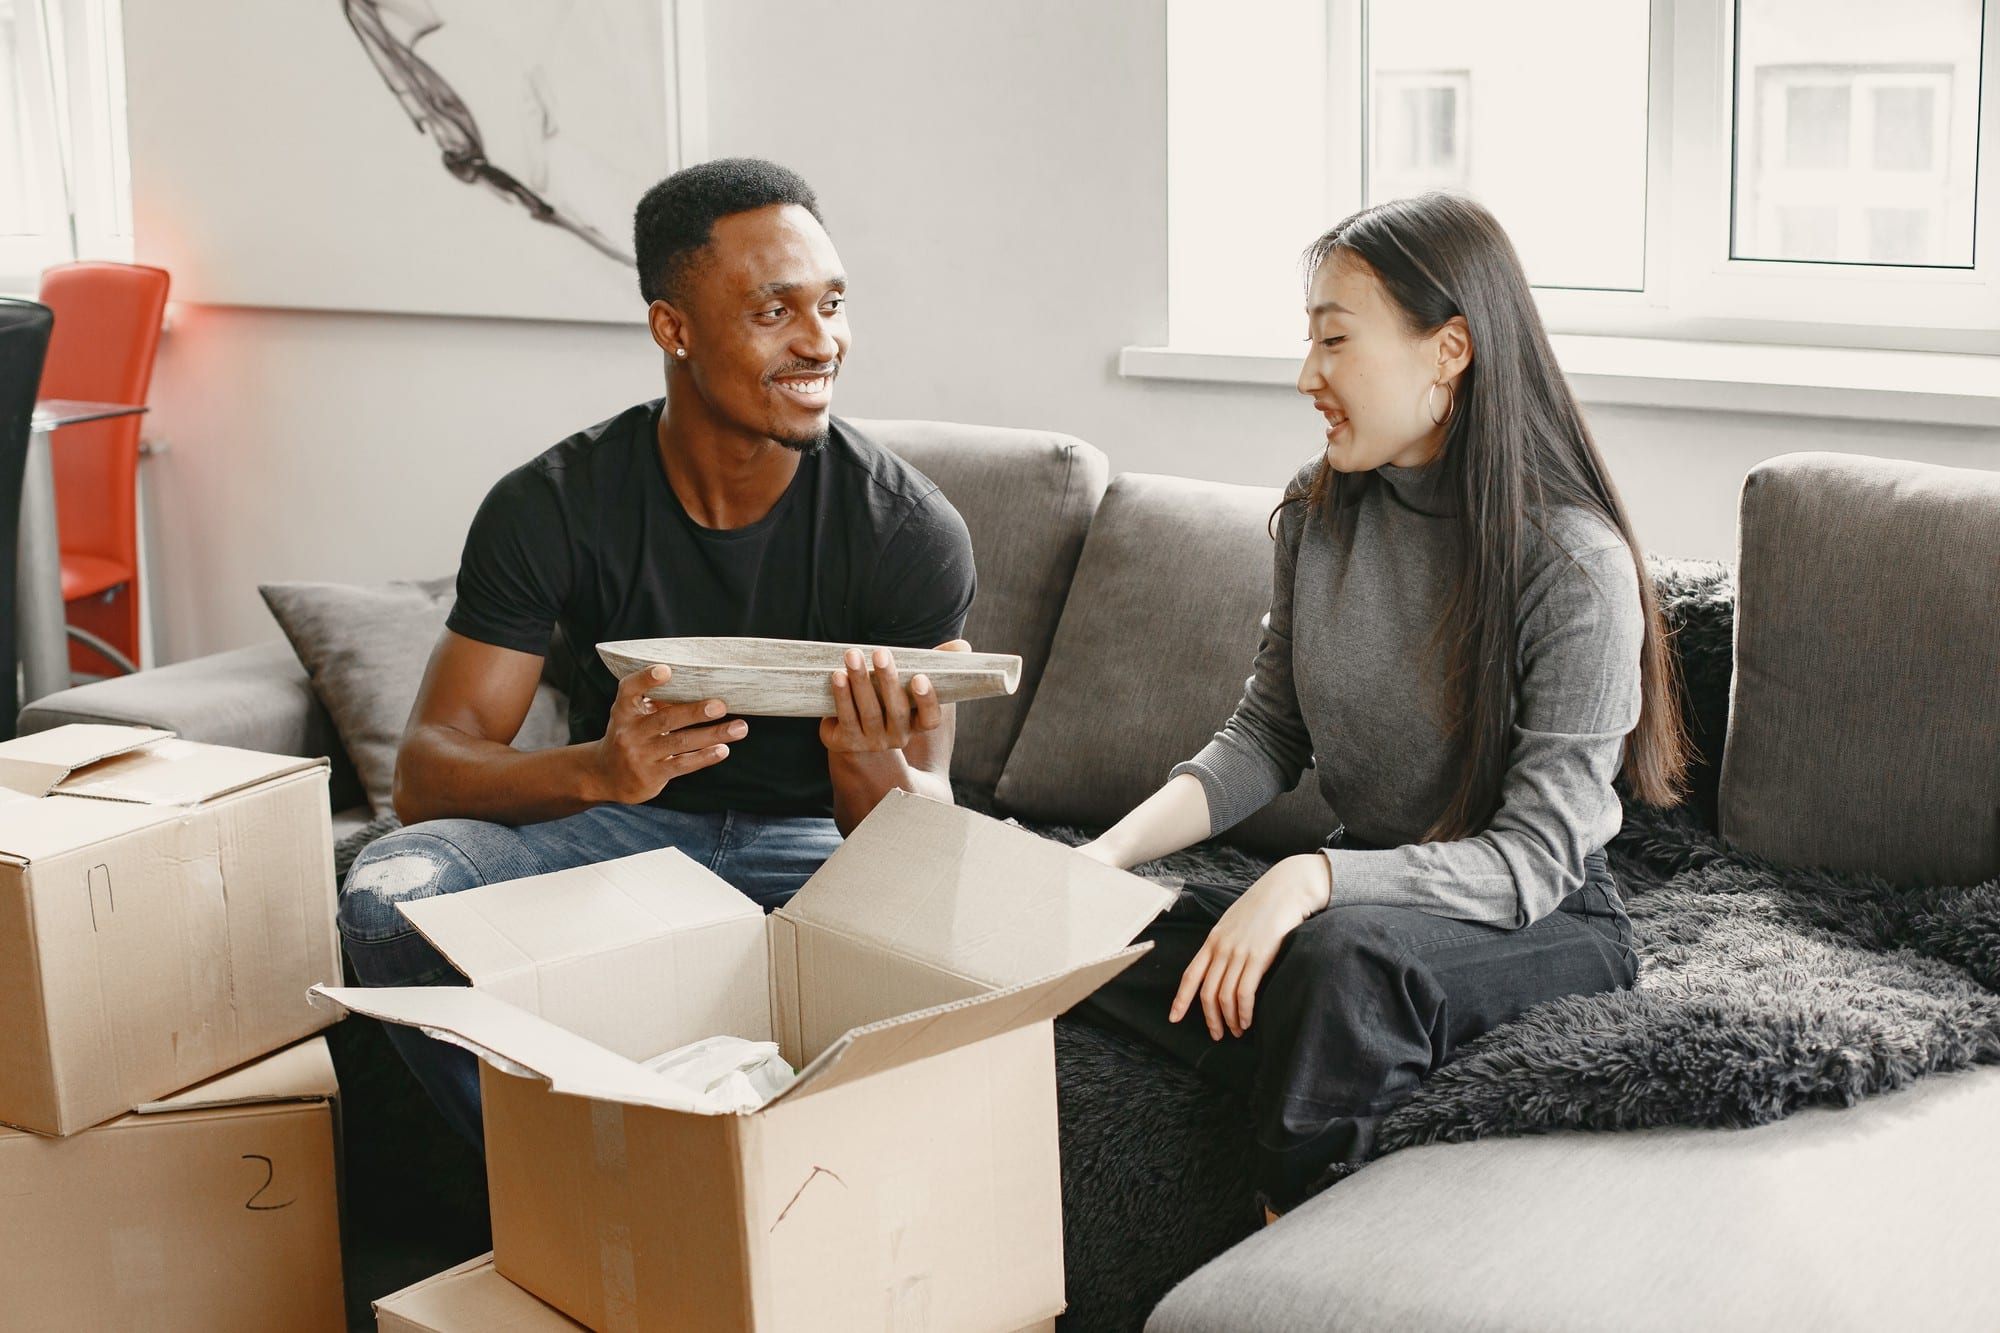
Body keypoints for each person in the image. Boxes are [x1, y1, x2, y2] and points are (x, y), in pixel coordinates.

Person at [337, 158, 977, 1146]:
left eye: (833, 304)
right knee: (390, 897)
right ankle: (568, 1182)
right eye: (775, 312)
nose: (821, 342)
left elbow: (920, 843)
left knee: (960, 938)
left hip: (812, 847)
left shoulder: (904, 529)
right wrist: (601, 768)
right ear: (672, 328)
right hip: (620, 834)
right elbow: (427, 773)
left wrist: (859, 750)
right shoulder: (549, 506)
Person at [1072, 192, 1687, 1215]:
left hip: (1540, 916)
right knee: (1096, 932)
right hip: (1373, 903)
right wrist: (1097, 863)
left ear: (1447, 349)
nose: (1307, 375)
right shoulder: (1321, 511)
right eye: (1306, 341)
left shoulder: (1570, 565)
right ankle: (1318, 1047)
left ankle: (1289, 1253)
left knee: (1336, 961)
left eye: (1333, 340)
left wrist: (1312, 875)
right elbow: (1266, 734)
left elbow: (1531, 859)